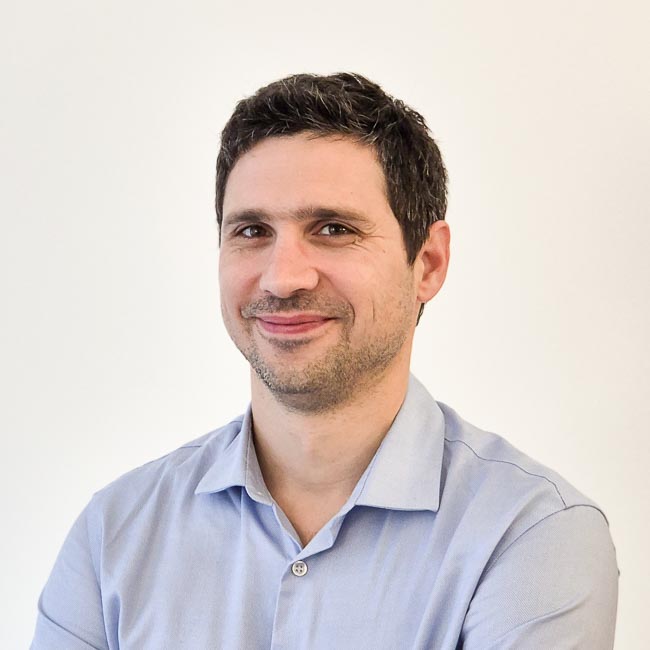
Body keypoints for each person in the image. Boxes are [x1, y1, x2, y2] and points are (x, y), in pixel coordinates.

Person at [32, 73, 618, 649]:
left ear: (428, 264)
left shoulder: (530, 534)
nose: (283, 278)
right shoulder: (114, 533)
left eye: (333, 229)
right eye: (252, 231)